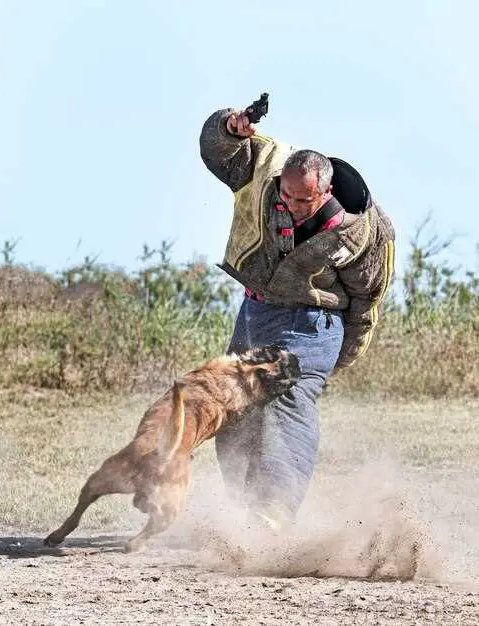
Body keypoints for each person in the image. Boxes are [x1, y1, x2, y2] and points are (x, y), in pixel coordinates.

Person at [199, 104, 395, 531]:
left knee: (285, 396)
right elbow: (219, 154)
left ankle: (274, 511)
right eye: (286, 195)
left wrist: (342, 356)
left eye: (303, 199)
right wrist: (229, 130)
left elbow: (367, 298)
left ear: (325, 192)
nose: (291, 205)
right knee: (233, 403)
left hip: (314, 325)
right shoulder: (265, 169)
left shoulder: (364, 231)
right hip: (256, 312)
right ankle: (242, 508)